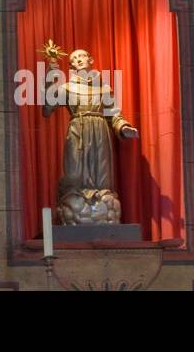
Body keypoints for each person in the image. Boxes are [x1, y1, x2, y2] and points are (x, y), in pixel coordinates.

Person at [42, 46, 137, 224]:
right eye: (74, 58)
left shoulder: (103, 88)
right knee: (74, 175)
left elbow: (114, 114)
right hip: (77, 130)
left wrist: (123, 127)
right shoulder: (67, 88)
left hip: (100, 131)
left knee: (102, 176)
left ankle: (101, 210)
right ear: (71, 67)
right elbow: (47, 109)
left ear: (90, 60)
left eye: (82, 56)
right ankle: (75, 209)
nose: (78, 59)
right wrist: (49, 79)